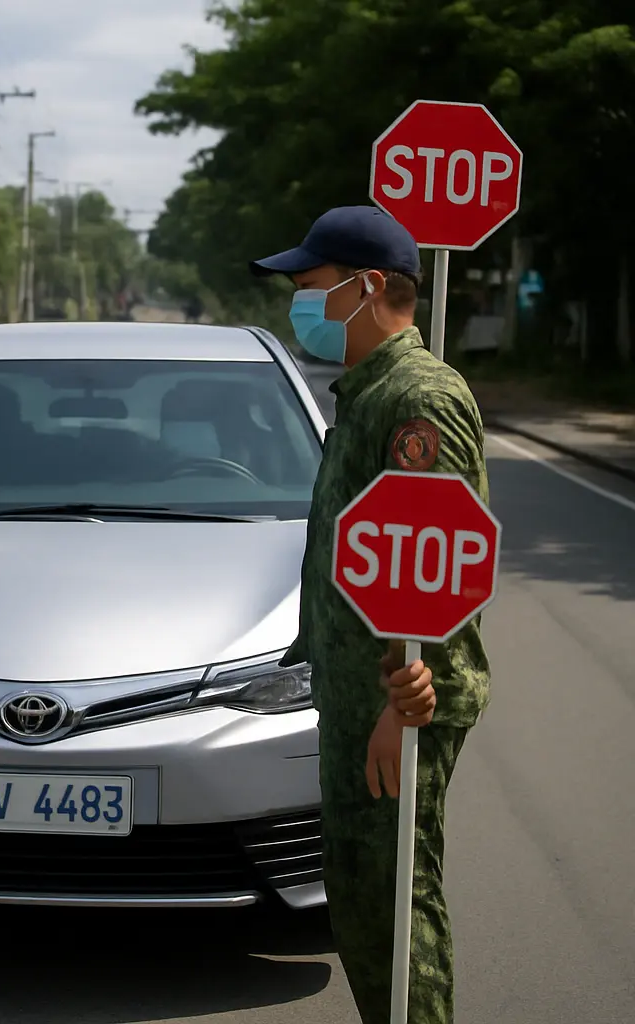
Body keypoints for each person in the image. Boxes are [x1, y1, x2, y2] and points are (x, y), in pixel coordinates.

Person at [252, 205, 490, 1024]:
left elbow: (439, 571)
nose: (300, 305)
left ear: (369, 286)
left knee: (396, 909)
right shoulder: (368, 393)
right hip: (359, 697)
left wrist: (402, 705)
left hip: (398, 700)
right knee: (358, 902)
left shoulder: (418, 398)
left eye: (311, 287)